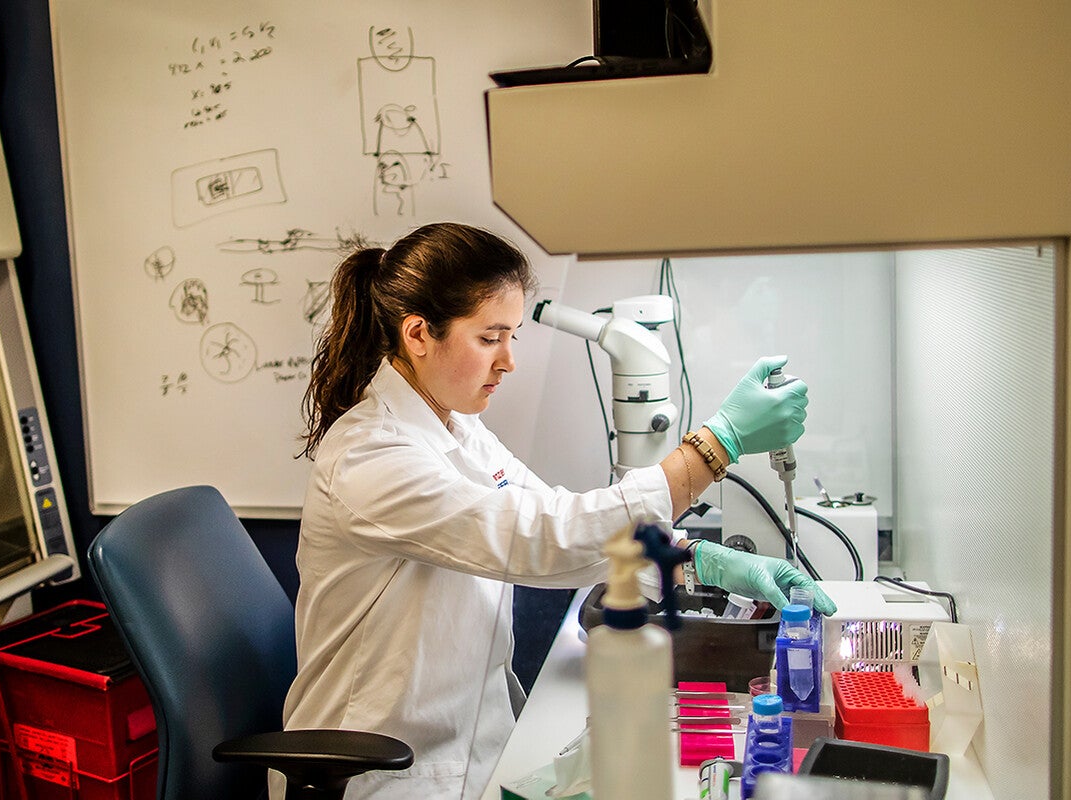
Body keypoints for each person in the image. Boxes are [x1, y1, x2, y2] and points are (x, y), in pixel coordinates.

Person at [281, 222, 832, 799]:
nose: (509, 361)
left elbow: (553, 512)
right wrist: (715, 446)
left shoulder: (459, 428)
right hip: (380, 770)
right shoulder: (371, 458)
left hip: (471, 742)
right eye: (491, 338)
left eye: (512, 336)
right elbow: (542, 539)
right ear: (419, 334)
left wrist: (692, 562)